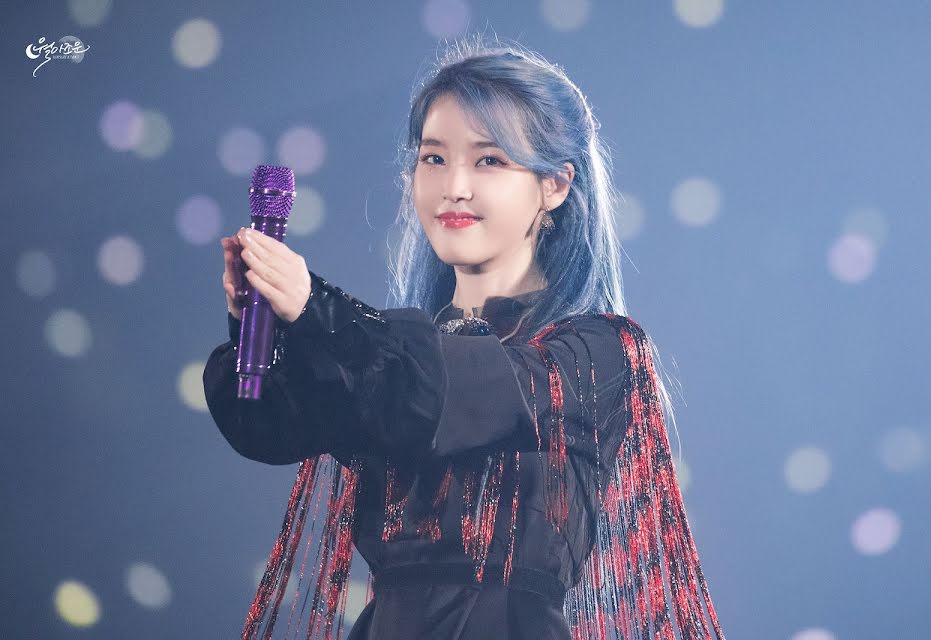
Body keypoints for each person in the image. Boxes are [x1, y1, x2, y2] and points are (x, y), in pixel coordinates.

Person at [204, 38, 725, 640]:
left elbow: (461, 392)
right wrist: (259, 324)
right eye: (433, 158)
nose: (454, 186)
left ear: (555, 185)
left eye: (489, 161)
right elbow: (270, 422)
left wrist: (314, 305)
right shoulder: (388, 358)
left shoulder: (598, 353)